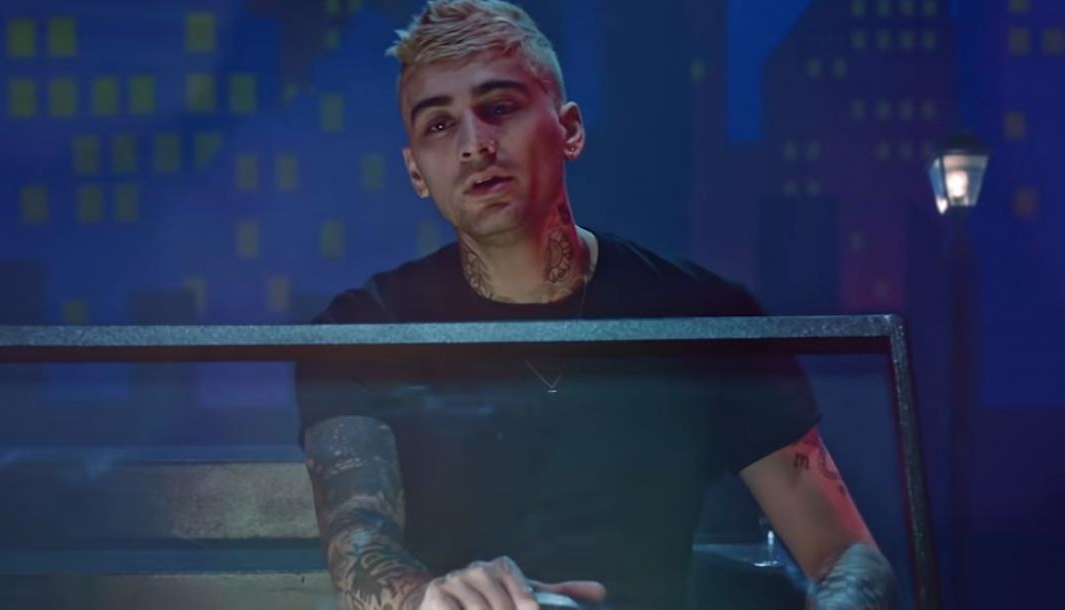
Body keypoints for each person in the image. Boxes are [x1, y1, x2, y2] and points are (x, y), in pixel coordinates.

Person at [295, 1, 897, 609]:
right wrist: (433, 600)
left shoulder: (704, 316)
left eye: (498, 108)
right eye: (439, 125)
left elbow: (844, 553)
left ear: (570, 131)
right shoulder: (364, 329)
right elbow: (361, 552)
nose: (474, 145)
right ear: (416, 172)